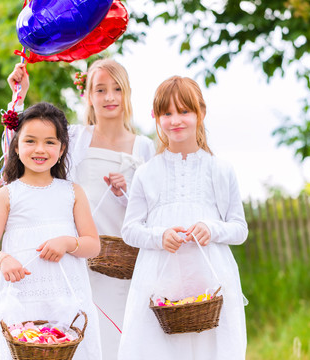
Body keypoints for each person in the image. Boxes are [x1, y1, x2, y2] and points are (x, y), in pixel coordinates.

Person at [7, 59, 155, 358]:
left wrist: (126, 192)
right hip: (73, 258)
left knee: (119, 340)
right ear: (87, 94)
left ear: (127, 93)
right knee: (76, 336)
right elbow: (23, 146)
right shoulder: (75, 138)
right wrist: (19, 96)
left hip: (120, 263)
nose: (110, 97)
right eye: (100, 89)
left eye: (116, 89)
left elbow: (151, 210)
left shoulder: (144, 148)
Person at [119, 76, 248, 359]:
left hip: (210, 280)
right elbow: (130, 230)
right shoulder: (146, 173)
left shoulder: (220, 170)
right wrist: (159, 236)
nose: (175, 120)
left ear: (200, 113)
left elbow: (239, 228)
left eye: (184, 111)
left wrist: (211, 229)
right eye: (167, 113)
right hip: (159, 281)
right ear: (156, 118)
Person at [0, 102, 102, 360]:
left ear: (62, 147)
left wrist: (68, 243)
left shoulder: (73, 192)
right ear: (17, 146)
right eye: (30, 141)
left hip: (66, 297)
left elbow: (92, 244)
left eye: (50, 142)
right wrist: (4, 258)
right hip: (22, 299)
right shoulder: (6, 196)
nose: (40, 150)